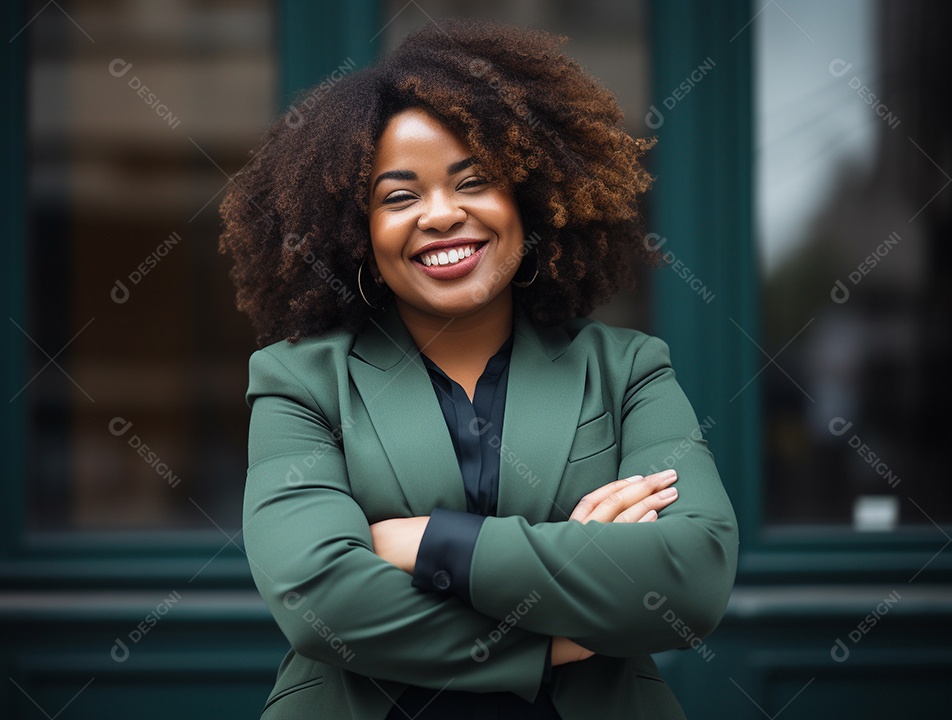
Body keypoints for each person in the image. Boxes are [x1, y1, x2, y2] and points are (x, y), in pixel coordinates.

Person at [220, 19, 738, 720]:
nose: (442, 214)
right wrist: (555, 636)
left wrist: (428, 541)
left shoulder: (628, 370)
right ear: (358, 235)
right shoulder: (300, 381)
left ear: (526, 204)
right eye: (400, 196)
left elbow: (691, 580)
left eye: (476, 182)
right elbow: (322, 603)